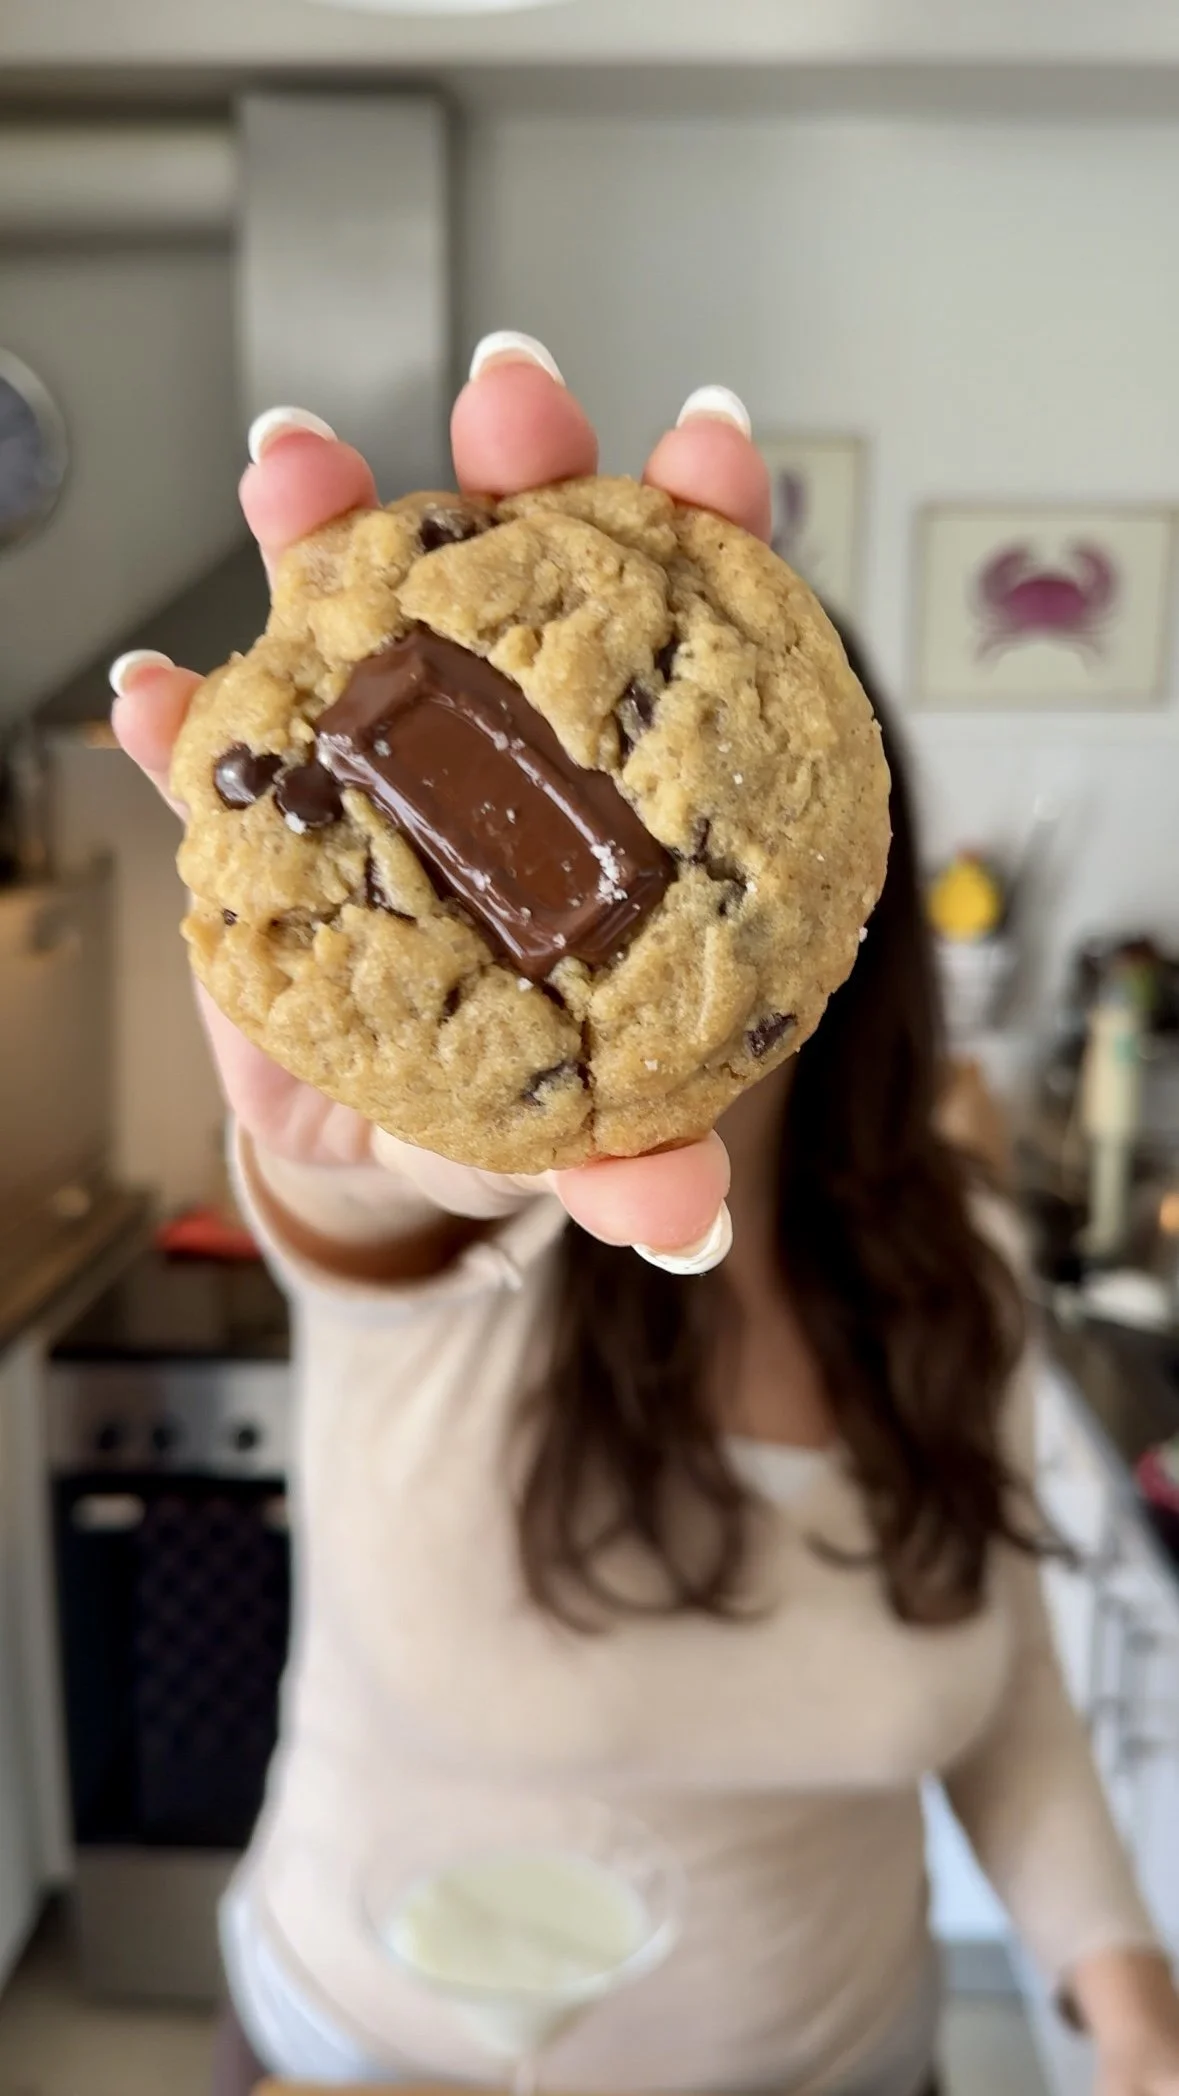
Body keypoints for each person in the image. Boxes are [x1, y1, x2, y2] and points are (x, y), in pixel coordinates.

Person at [112, 336, 1179, 2096]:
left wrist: (1118, 1987)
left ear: (843, 902)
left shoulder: (945, 1268)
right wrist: (396, 1148)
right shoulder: (456, 1240)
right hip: (358, 2071)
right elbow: (360, 1214)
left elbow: (997, 1692)